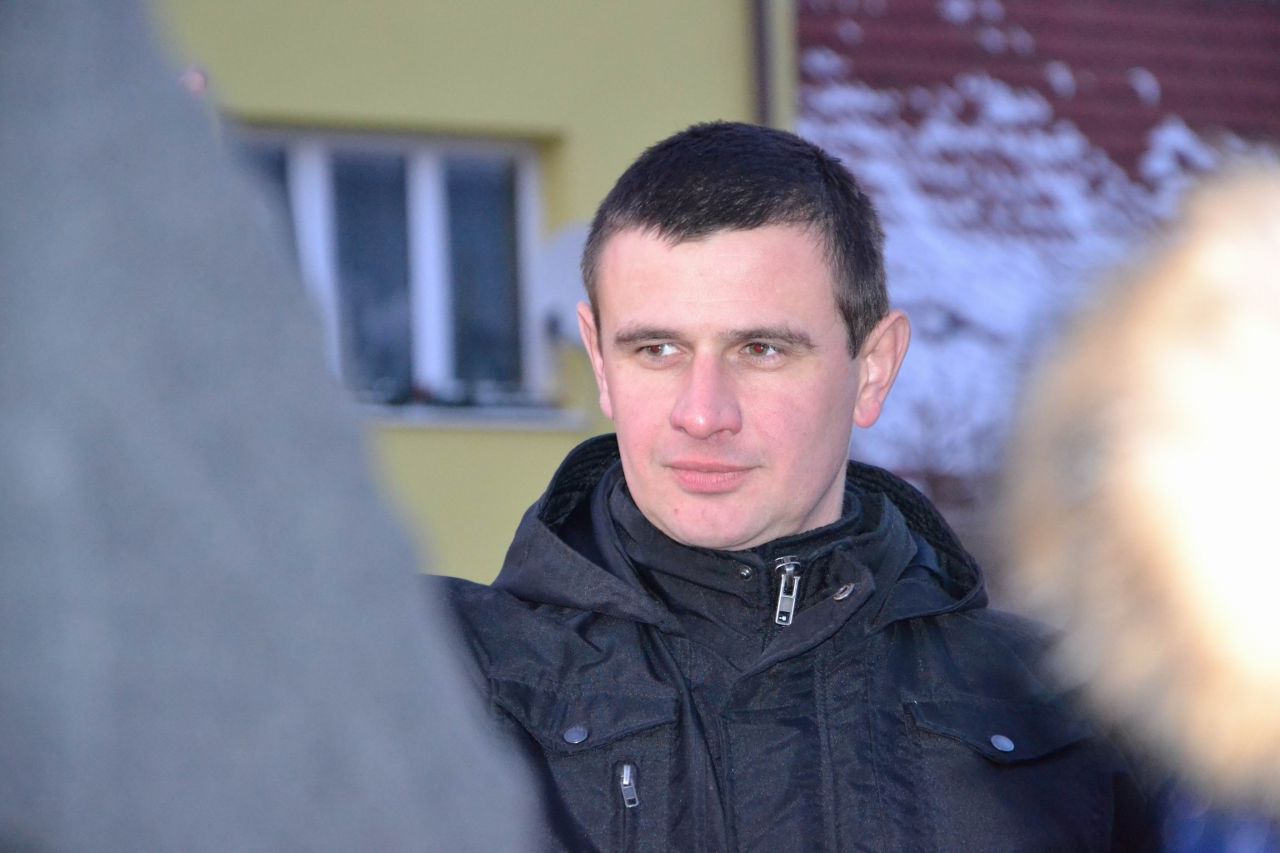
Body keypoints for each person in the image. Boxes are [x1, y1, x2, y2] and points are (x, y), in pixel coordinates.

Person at [439, 121, 1159, 851]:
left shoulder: (1074, 716)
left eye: (761, 349)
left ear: (872, 369)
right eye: (656, 349)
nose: (702, 414)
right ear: (600, 361)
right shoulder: (441, 679)